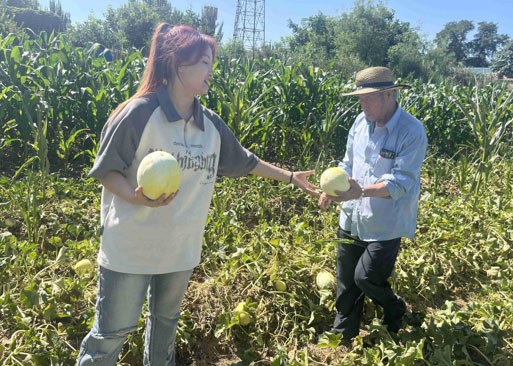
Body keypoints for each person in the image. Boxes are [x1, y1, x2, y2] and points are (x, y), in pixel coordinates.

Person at [77, 23, 319, 365]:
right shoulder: (140, 113)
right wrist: (136, 196)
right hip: (131, 248)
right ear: (179, 65)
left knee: (164, 330)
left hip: (180, 251)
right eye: (205, 63)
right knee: (110, 336)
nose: (211, 72)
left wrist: (291, 176)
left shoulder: (211, 125)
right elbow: (106, 171)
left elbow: (245, 162)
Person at [318, 66, 428, 339]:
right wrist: (332, 190)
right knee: (346, 281)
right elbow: (347, 163)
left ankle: (396, 309)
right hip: (351, 216)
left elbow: (402, 181)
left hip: (385, 223)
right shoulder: (359, 123)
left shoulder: (411, 131)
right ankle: (344, 333)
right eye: (360, 97)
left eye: (369, 97)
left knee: (365, 278)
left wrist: (361, 192)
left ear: (390, 94)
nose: (363, 103)